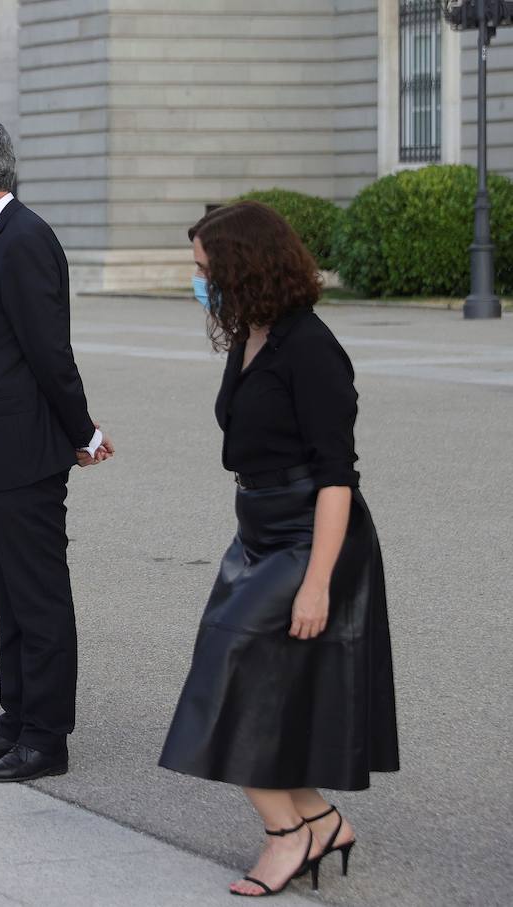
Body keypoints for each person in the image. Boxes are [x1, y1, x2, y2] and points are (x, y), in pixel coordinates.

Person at [159, 201, 399, 898]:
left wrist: (319, 580)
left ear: (243, 265)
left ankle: (286, 833)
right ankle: (320, 817)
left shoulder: (312, 348)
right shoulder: (251, 333)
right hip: (258, 528)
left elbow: (336, 478)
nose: (198, 281)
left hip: (310, 533)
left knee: (226, 671)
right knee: (257, 684)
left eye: (205, 269)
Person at [0, 113, 112, 783]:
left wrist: (82, 431)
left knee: (37, 598)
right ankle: (15, 720)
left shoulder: (26, 239)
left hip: (25, 457)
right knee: (9, 599)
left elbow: (48, 353)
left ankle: (46, 736)